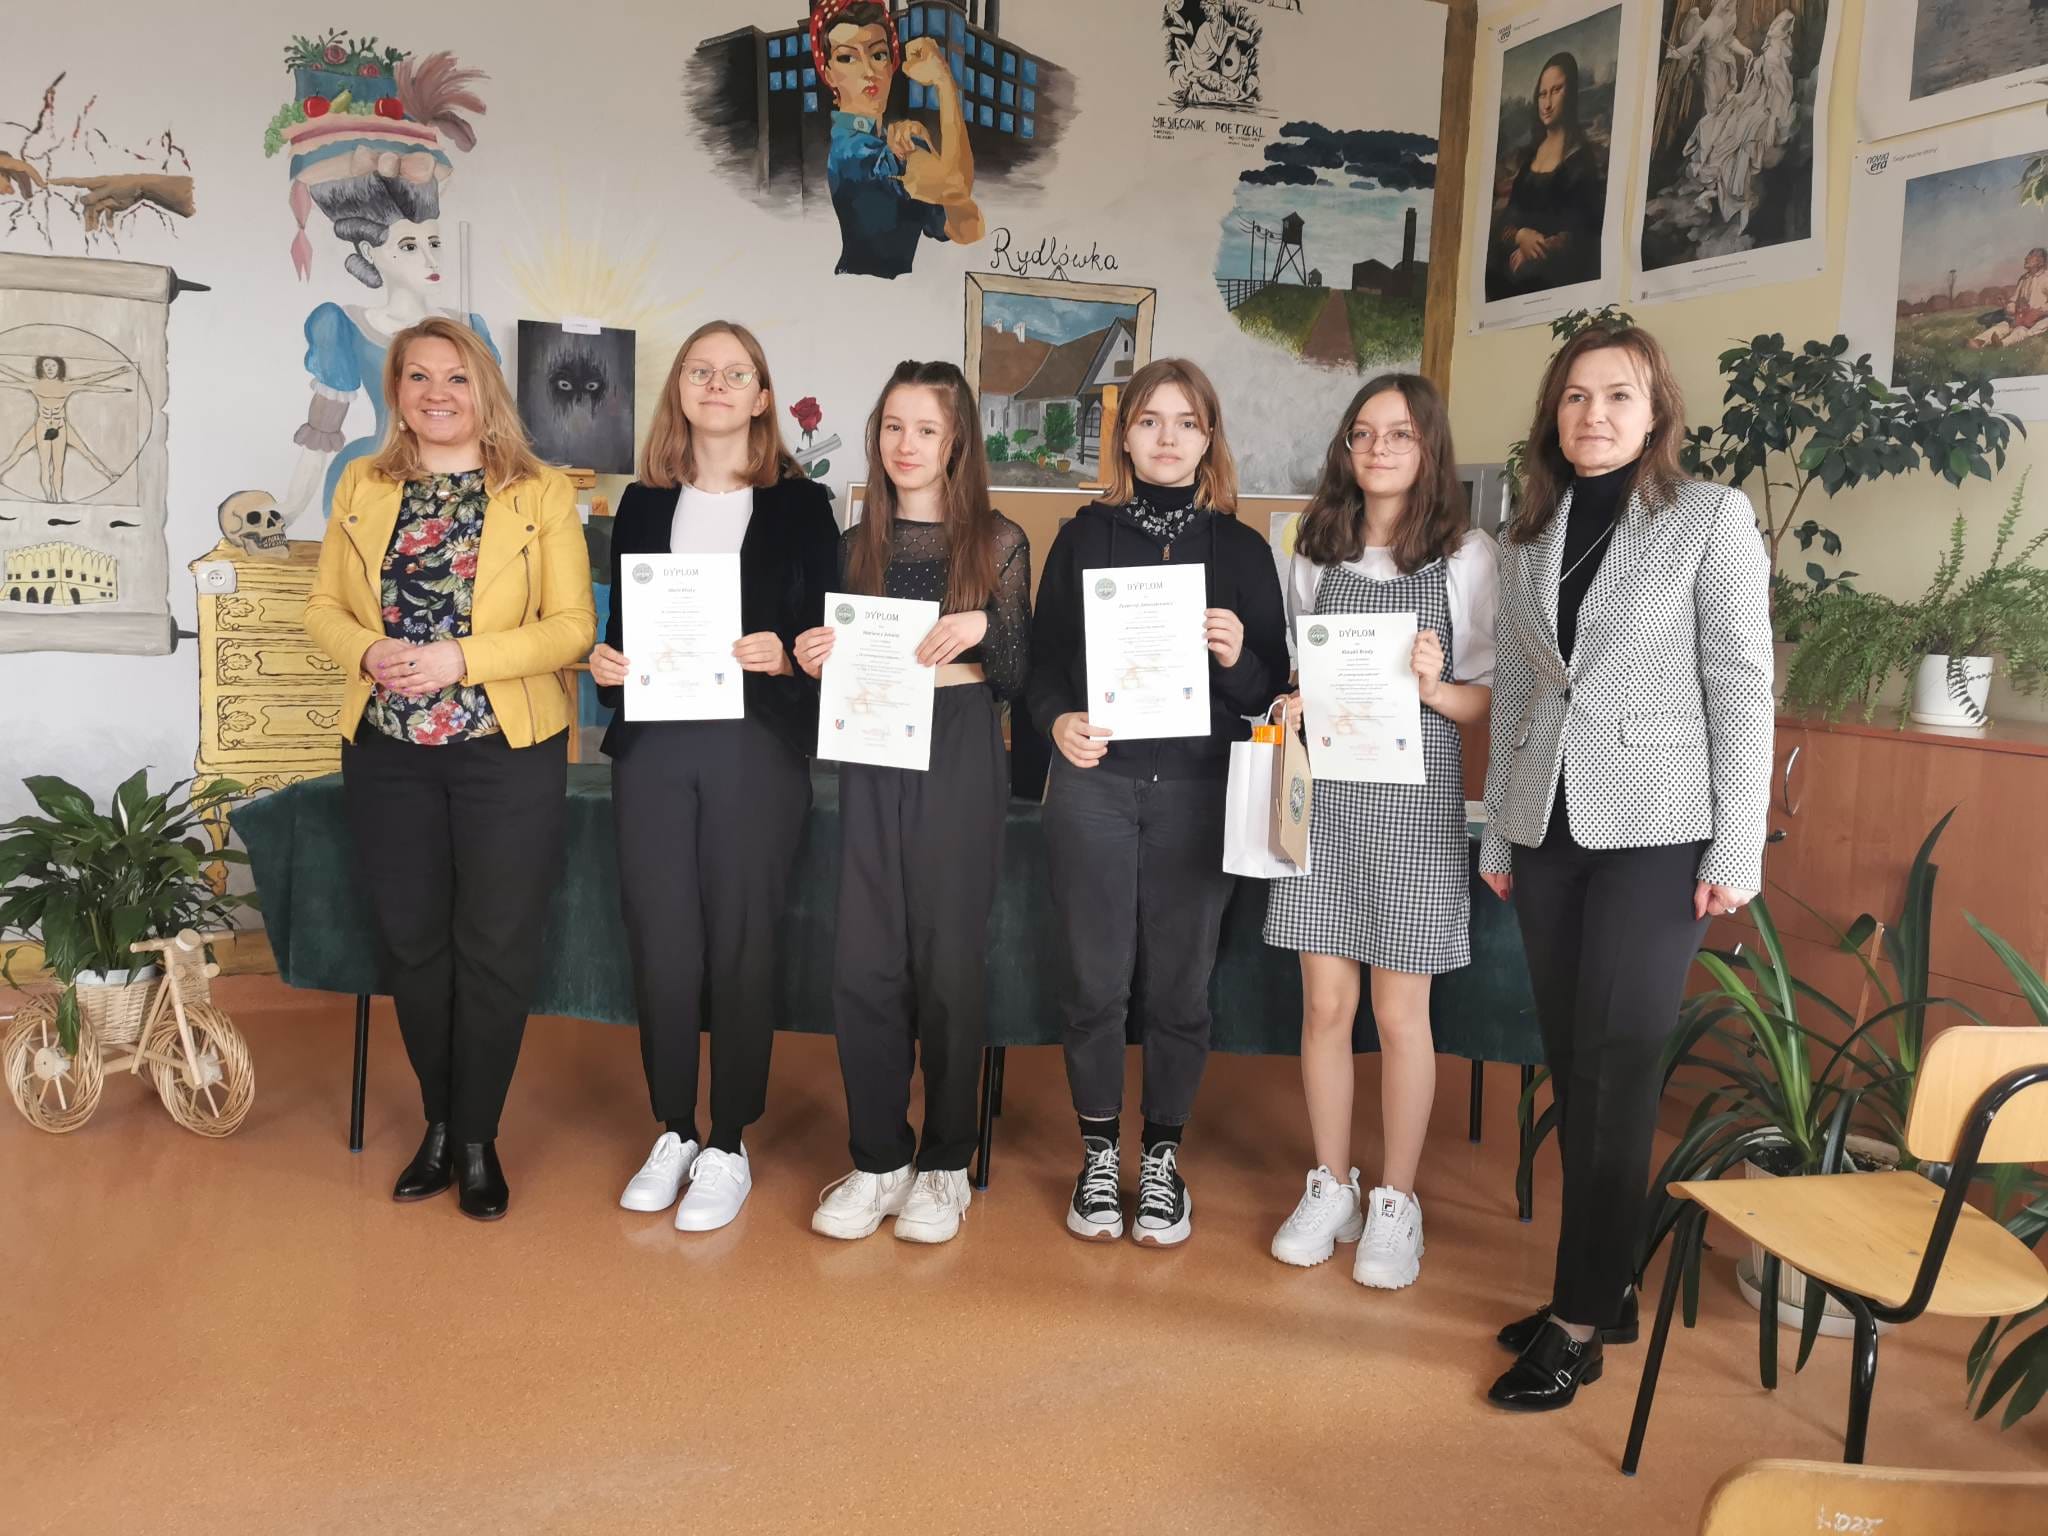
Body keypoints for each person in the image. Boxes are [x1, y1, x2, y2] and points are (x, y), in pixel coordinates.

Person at [1478, 323, 1772, 1410]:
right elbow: (1519, 692)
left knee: (1619, 1072)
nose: (1592, 414)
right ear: (1552, 415)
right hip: (1547, 831)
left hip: (1658, 834)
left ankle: (1576, 1322)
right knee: (1576, 1063)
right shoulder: (1526, 533)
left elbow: (1741, 684)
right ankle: (1608, 1290)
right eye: (1574, 396)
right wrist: (1500, 832)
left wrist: (1735, 845)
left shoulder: (1708, 517)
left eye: (1616, 396)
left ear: (1654, 415)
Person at [305, 316, 596, 1222]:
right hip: (387, 752)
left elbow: (572, 629)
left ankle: (477, 1138)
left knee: (496, 946)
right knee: (414, 944)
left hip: (505, 751)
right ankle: (438, 1122)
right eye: (419, 377)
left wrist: (460, 659)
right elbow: (322, 609)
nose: (438, 393)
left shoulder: (539, 491)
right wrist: (366, 651)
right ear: (396, 392)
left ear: (486, 391)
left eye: (457, 377)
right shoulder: (362, 483)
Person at [1027, 357, 1288, 1248]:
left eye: (1186, 422)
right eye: (1149, 420)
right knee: (1094, 982)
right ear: (1125, 436)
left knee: (1180, 988)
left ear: (1209, 438)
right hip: (1095, 788)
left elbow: (1272, 694)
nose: (1167, 437)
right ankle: (1100, 1155)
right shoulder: (1081, 539)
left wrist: (1238, 657)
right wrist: (1058, 721)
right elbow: (1043, 668)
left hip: (1198, 792)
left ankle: (1164, 1157)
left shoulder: (1242, 551)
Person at [588, 322, 839, 1234]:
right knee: (660, 936)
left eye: (737, 373)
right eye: (702, 371)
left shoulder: (802, 507)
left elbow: (826, 641)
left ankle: (729, 1140)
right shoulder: (641, 503)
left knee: (740, 940)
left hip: (755, 745)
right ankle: (673, 1128)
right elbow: (621, 633)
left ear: (762, 397)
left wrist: (788, 653)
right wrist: (606, 666)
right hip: (654, 744)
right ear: (681, 391)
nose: (718, 384)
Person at [1263, 375, 1497, 1288]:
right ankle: (1332, 1184)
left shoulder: (1466, 555)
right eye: (1363, 433)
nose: (1379, 449)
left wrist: (1436, 687)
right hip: (1324, 799)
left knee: (1401, 1016)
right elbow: (1302, 673)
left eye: (1399, 434)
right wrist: (1294, 699)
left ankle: (1397, 1200)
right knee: (1325, 1008)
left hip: (1415, 809)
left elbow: (1482, 703)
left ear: (1429, 446)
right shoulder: (1312, 548)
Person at [796, 360, 1030, 1244]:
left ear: (956, 440)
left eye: (926, 429)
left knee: (947, 960)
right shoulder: (856, 542)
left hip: (959, 745)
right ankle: (877, 1158)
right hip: (872, 748)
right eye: (893, 426)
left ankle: (944, 1163)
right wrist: (815, 657)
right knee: (864, 959)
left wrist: (985, 625)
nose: (907, 444)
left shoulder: (998, 542)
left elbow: (1017, 675)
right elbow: (839, 670)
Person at [273, 51, 493, 521]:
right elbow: (322, 432)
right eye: (409, 246)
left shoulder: (471, 328)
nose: (431, 259)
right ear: (370, 251)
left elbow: (498, 431)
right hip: (374, 485)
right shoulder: (344, 326)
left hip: (461, 495)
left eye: (434, 242)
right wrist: (288, 510)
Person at [809, 0, 983, 280]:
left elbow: (969, 229)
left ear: (892, 64)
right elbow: (957, 184)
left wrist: (942, 180)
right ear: (828, 74)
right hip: (857, 294)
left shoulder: (890, 144)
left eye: (878, 54)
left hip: (898, 299)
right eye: (847, 58)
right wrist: (944, 83)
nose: (868, 71)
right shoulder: (853, 152)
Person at [1485, 52, 1607, 302]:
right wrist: (1520, 236)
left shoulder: (1580, 160)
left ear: (1570, 93)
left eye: (1556, 90)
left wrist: (1537, 248)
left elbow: (1582, 231)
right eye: (1542, 94)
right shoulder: (1530, 157)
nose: (1547, 103)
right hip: (1512, 275)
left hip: (1555, 280)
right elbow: (1506, 221)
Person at [1682, 9, 1798, 235]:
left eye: (1777, 26)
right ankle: (1712, 183)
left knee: (1740, 131)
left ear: (1782, 33)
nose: (1772, 28)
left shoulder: (1775, 58)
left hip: (1765, 109)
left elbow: (1781, 92)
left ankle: (1727, 193)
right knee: (1717, 120)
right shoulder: (1766, 54)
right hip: (1751, 100)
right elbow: (1753, 84)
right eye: (1774, 24)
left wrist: (1772, 118)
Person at [1968, 247, 2048, 349]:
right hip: (2021, 316)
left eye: (2030, 256)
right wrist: (2009, 305)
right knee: (2004, 325)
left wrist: (2039, 312)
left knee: (2023, 330)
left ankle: (2002, 344)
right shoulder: (2023, 279)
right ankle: (1978, 341)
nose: (2026, 258)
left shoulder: (2046, 278)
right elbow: (2014, 299)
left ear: (2040, 261)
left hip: (2040, 318)